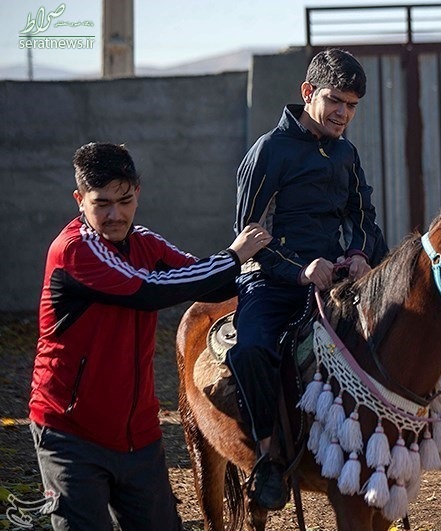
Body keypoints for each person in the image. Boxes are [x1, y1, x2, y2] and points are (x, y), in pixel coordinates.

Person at [29, 142, 270, 530]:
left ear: (137, 193)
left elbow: (204, 283)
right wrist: (233, 256)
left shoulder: (146, 243)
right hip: (71, 436)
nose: (115, 215)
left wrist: (282, 277)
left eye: (124, 200)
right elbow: (150, 289)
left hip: (138, 437)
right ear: (79, 200)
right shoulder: (76, 250)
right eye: (101, 203)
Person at [227, 48, 386, 510]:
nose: (343, 113)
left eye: (352, 106)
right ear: (307, 92)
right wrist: (299, 270)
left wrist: (358, 253)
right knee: (253, 349)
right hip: (271, 281)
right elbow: (249, 231)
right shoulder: (268, 150)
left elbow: (364, 215)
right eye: (335, 100)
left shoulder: (346, 152)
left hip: (338, 281)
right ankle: (266, 457)